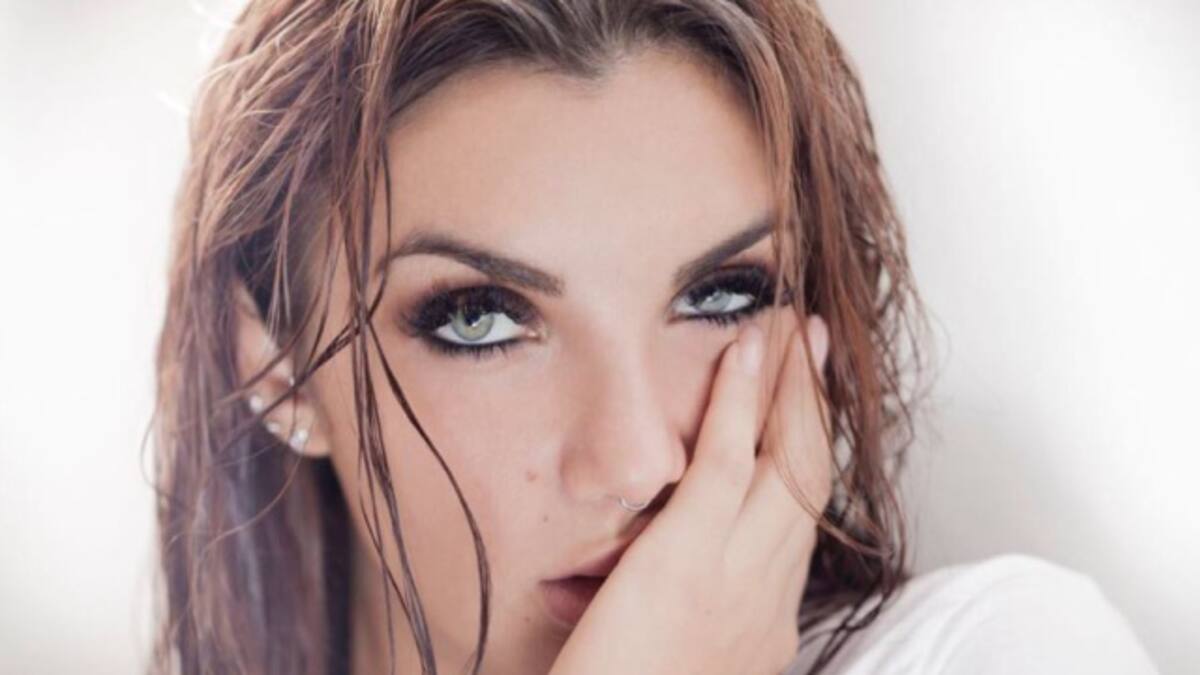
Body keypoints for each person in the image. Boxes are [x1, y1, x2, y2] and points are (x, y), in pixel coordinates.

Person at [149, 1, 1156, 673]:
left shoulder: (997, 651)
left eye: (720, 296)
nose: (637, 464)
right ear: (273, 365)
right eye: (482, 317)